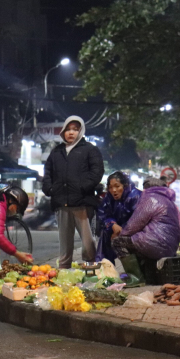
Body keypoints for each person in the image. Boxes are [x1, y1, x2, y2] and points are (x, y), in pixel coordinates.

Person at [42, 115, 105, 268]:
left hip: (82, 202)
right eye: (68, 129)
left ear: (81, 131)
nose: (71, 133)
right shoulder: (56, 152)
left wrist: (83, 187)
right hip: (61, 203)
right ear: (63, 131)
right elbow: (48, 172)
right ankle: (64, 271)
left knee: (88, 240)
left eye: (75, 130)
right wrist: (49, 189)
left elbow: (97, 172)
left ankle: (90, 267)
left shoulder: (90, 150)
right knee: (64, 242)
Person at [113, 177, 180, 261]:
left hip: (155, 244)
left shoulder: (150, 199)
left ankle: (134, 274)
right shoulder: (170, 202)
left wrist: (121, 235)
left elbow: (133, 226)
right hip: (171, 248)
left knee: (118, 242)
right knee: (135, 244)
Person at [96, 171, 141, 262]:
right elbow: (103, 214)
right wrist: (112, 225)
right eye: (110, 187)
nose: (114, 190)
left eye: (117, 186)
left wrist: (121, 231)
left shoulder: (135, 196)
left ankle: (135, 272)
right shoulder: (108, 197)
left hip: (134, 232)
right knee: (105, 234)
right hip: (116, 230)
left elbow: (138, 220)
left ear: (124, 185)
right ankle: (105, 268)